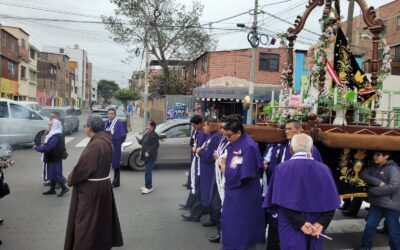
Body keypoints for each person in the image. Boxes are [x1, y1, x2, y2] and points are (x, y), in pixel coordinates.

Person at [264, 133, 340, 250]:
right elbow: (332, 200)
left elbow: (279, 200)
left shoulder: (281, 168)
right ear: (311, 149)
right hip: (317, 220)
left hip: (290, 220)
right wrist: (321, 222)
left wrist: (300, 223)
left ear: (291, 149)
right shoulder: (324, 169)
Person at [262, 119, 323, 250]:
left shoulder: (311, 150)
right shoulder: (282, 146)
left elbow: (316, 174)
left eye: (290, 129)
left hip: (299, 199)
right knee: (275, 227)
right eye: (285, 129)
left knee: (295, 235)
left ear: (300, 130)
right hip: (280, 195)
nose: (287, 131)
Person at [64, 116, 123, 250]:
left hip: (92, 190)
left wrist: (71, 177)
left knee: (86, 223)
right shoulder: (105, 139)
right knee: (99, 221)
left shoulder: (97, 144)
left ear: (90, 128)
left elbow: (84, 168)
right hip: (102, 185)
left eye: (85, 126)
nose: (84, 128)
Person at [220, 116, 265, 250]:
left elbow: (248, 173)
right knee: (231, 224)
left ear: (238, 132)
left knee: (242, 227)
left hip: (243, 194)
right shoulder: (235, 142)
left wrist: (225, 169)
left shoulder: (248, 146)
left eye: (228, 135)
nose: (226, 138)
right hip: (233, 193)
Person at [358, 151, 400, 250]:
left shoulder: (393, 169)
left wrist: (373, 190)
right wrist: (378, 182)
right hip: (376, 204)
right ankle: (365, 247)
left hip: (391, 205)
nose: (375, 157)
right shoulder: (373, 166)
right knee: (369, 227)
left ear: (386, 156)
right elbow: (362, 174)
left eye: (378, 155)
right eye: (375, 154)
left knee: (393, 231)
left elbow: (394, 187)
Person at [181, 115, 208, 222]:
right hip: (197, 161)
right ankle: (193, 208)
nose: (194, 127)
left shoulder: (205, 134)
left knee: (200, 189)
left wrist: (197, 150)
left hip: (203, 165)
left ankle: (196, 212)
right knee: (197, 187)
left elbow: (203, 150)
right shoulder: (197, 132)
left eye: (195, 125)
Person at [34, 119, 69, 197]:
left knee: (56, 174)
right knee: (52, 173)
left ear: (54, 125)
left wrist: (37, 148)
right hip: (53, 157)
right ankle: (52, 189)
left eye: (50, 124)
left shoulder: (56, 135)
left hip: (54, 157)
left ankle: (64, 188)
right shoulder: (54, 133)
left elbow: (48, 148)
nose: (49, 126)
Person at [208, 117, 229, 243]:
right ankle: (220, 233)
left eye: (224, 128)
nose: (221, 130)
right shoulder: (222, 140)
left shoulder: (229, 141)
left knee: (218, 208)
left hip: (224, 178)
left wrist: (219, 157)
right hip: (218, 178)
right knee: (215, 206)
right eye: (220, 127)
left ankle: (223, 235)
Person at [197, 118, 221, 226]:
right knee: (208, 194)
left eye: (206, 125)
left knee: (211, 195)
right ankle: (212, 217)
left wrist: (200, 151)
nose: (204, 127)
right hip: (206, 170)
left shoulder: (215, 137)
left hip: (210, 170)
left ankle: (214, 219)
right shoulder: (210, 136)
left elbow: (208, 155)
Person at [105, 108, 127, 188]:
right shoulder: (106, 122)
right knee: (107, 163)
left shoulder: (118, 123)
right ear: (107, 114)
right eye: (109, 113)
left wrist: (118, 143)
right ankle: (105, 180)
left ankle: (116, 181)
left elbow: (123, 135)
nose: (110, 115)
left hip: (115, 146)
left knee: (116, 163)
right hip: (107, 146)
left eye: (112, 113)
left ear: (115, 114)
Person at [137, 120, 159, 194]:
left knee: (148, 172)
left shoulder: (154, 135)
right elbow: (143, 141)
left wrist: (148, 152)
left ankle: (149, 187)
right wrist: (139, 141)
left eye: (148, 125)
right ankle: (148, 185)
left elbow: (155, 145)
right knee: (147, 172)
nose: (146, 126)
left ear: (152, 127)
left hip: (150, 156)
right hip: (146, 156)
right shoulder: (147, 133)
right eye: (146, 124)